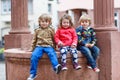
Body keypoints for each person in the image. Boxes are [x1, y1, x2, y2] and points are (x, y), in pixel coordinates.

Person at [27, 13, 61, 80]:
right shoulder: (37, 30)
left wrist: (55, 47)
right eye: (42, 21)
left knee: (52, 54)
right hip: (39, 46)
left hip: (49, 46)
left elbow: (54, 38)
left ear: (49, 22)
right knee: (34, 56)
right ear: (39, 22)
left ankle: (56, 67)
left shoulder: (51, 30)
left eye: (46, 21)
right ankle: (33, 73)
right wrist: (32, 48)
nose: (44, 23)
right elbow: (34, 39)